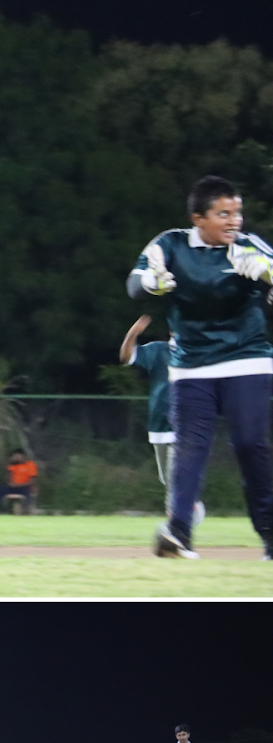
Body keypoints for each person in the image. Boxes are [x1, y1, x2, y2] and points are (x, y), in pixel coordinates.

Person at [126, 176, 273, 560]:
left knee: (249, 443)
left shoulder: (249, 247)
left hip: (247, 359)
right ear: (198, 218)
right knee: (189, 450)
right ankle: (178, 534)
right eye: (223, 213)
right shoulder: (170, 244)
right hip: (191, 366)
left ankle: (271, 535)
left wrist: (266, 272)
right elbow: (135, 283)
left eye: (237, 213)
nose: (234, 221)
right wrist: (150, 284)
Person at [121, 316, 206, 525]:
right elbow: (126, 356)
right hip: (160, 425)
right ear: (172, 331)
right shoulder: (159, 351)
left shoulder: (198, 352)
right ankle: (189, 504)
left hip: (187, 423)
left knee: (175, 477)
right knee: (167, 479)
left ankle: (177, 526)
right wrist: (133, 333)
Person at [0, 449, 38, 513]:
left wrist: (18, 485)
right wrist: (8, 466)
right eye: (14, 456)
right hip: (12, 487)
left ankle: (25, 511)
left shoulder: (30, 465)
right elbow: (8, 479)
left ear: (23, 456)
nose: (16, 458)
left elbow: (32, 481)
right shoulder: (12, 466)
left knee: (28, 494)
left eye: (18, 456)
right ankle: (2, 510)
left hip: (25, 487)